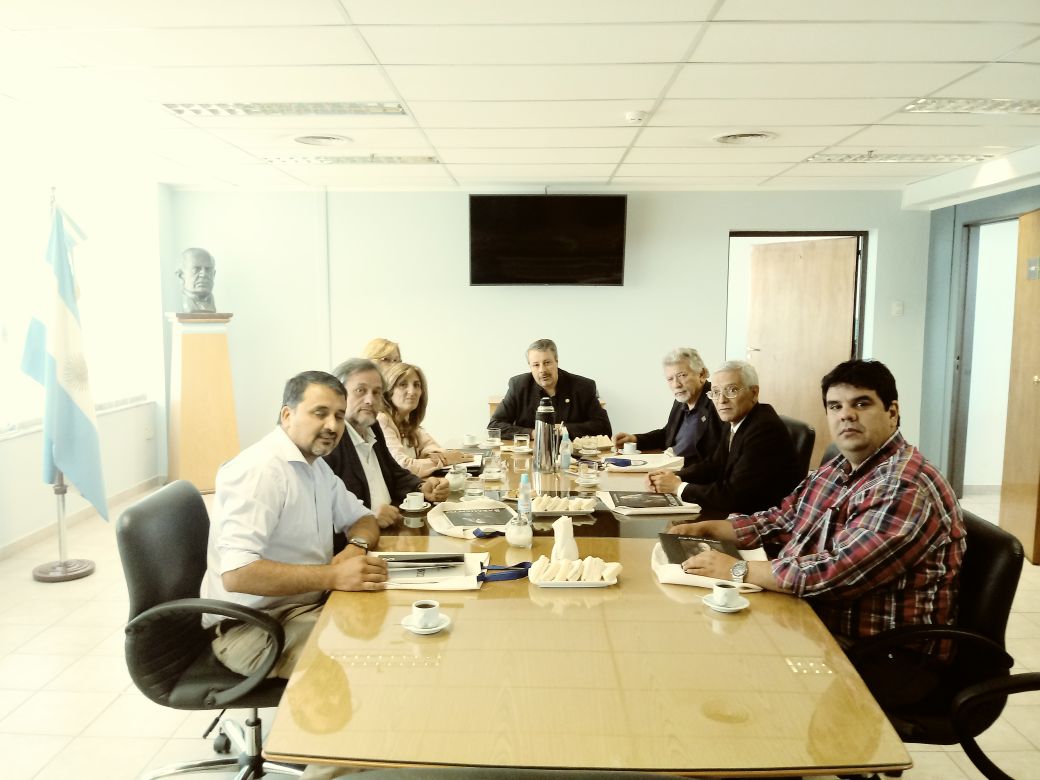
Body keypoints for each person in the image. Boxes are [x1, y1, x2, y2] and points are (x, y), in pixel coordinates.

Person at [669, 359, 965, 656]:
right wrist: (713, 529)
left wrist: (735, 569)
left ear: (892, 413)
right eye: (835, 406)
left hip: (879, 653)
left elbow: (835, 572)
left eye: (861, 404)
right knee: (697, 629)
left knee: (721, 654)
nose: (846, 415)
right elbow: (784, 519)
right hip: (810, 617)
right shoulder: (840, 466)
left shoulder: (905, 486)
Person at [201, 370, 388, 679]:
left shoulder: (316, 467)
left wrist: (356, 546)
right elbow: (236, 574)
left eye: (339, 416)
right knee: (368, 663)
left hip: (302, 608)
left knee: (390, 627)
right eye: (320, 413)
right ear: (287, 415)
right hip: (253, 628)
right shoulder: (260, 471)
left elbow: (363, 518)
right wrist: (333, 575)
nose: (332, 426)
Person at [647, 359, 800, 514]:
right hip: (736, 508)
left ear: (754, 393)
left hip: (758, 516)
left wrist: (677, 487)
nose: (721, 400)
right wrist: (674, 476)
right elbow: (714, 465)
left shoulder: (764, 429)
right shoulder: (735, 420)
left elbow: (734, 496)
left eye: (732, 390)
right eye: (716, 392)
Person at [324, 358, 449, 534]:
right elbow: (322, 513)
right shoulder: (330, 442)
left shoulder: (373, 426)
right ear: (338, 395)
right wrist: (368, 517)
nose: (370, 400)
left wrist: (421, 488)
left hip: (394, 529)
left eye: (376, 392)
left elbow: (394, 473)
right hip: (362, 540)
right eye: (360, 390)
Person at [613, 347, 722, 465]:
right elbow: (667, 434)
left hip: (691, 472)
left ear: (702, 374)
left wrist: (677, 474)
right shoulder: (681, 400)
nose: (676, 384)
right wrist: (635, 439)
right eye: (670, 379)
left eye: (682, 375)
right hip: (669, 465)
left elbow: (717, 458)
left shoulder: (718, 402)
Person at [489, 338, 611, 439]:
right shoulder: (519, 386)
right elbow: (494, 426)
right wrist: (533, 433)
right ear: (530, 366)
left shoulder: (583, 387)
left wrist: (563, 430)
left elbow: (604, 427)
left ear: (556, 361)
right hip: (531, 453)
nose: (542, 370)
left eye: (547, 363)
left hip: (571, 454)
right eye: (536, 365)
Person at [378, 362, 470, 478]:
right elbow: (402, 466)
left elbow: (433, 448)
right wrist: (444, 460)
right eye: (403, 384)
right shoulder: (382, 420)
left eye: (416, 385)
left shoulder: (408, 422)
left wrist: (434, 455)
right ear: (388, 391)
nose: (412, 391)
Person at [176, 247, 217, 313]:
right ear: (181, 275)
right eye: (196, 269)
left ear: (214, 274)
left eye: (208, 269)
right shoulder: (174, 302)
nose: (203, 274)